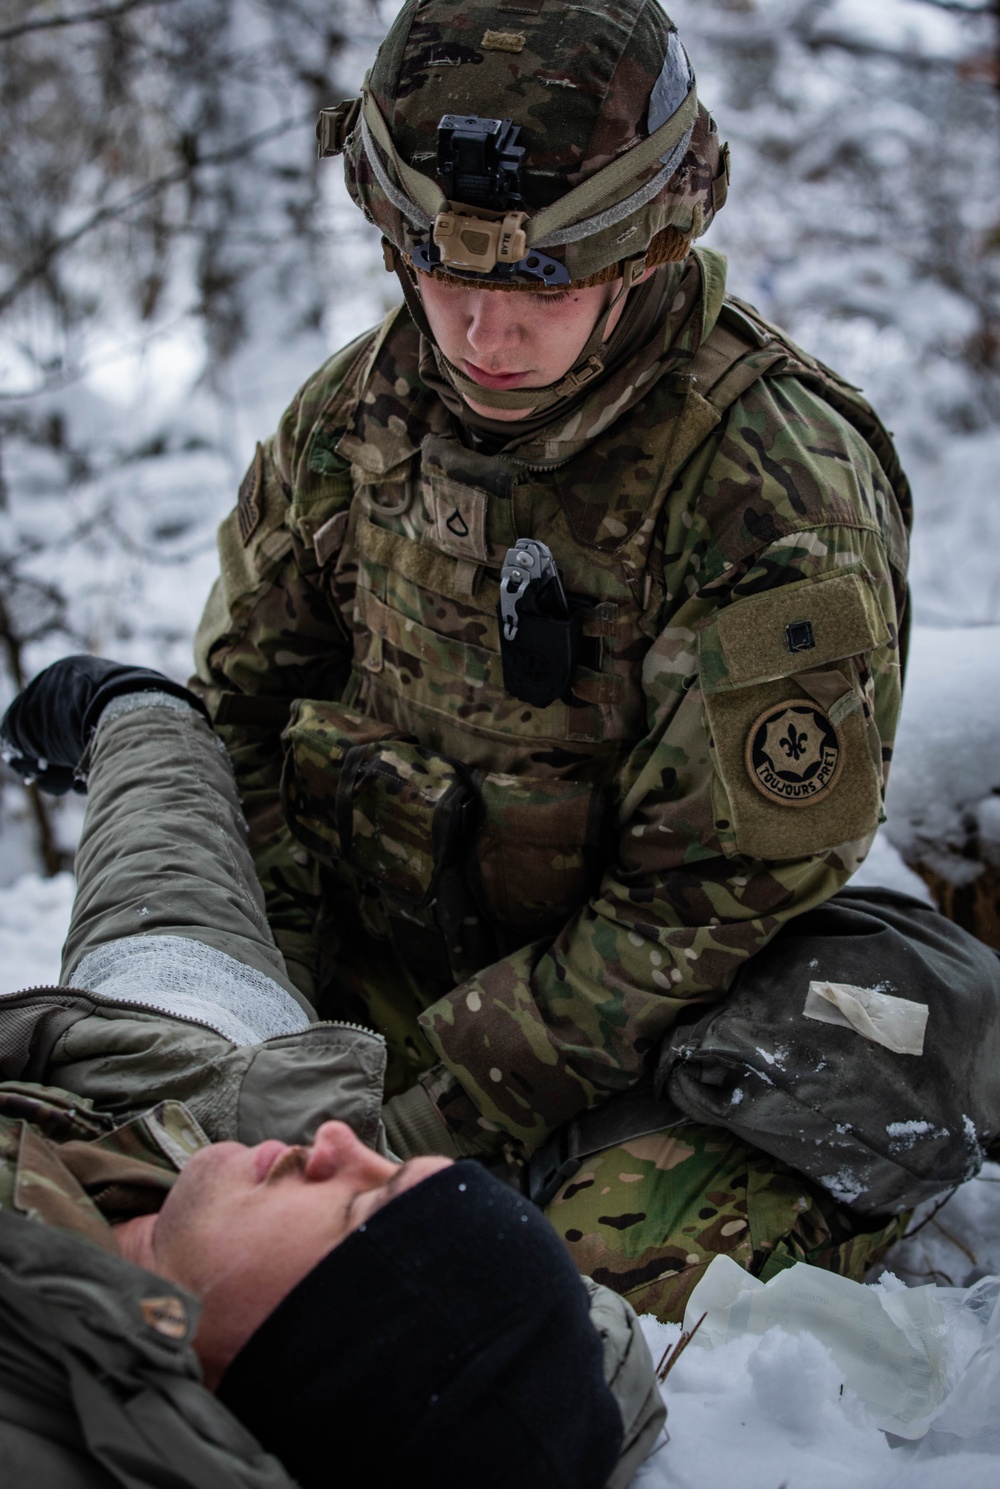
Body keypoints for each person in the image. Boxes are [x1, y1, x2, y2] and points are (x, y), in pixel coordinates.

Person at [190, 0, 995, 1319]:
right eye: (442, 277)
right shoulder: (364, 413)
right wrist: (268, 1029)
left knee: (533, 1301)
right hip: (400, 972)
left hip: (678, 1022)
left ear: (647, 247)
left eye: (541, 286)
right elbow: (245, 720)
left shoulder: (768, 489)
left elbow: (712, 896)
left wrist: (437, 1111)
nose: (481, 337)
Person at [0, 656, 664, 1489]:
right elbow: (169, 879)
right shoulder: (219, 1093)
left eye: (360, 1205)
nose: (339, 1141)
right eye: (391, 1166)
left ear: (303, 1365)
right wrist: (136, 710)